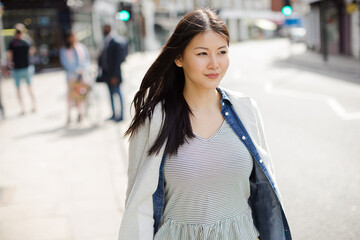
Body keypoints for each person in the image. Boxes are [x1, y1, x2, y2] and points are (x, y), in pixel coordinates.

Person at [118, 8, 292, 240]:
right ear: (179, 58)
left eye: (222, 52)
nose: (214, 64)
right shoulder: (154, 120)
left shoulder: (246, 109)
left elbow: (265, 193)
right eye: (202, 54)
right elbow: (138, 205)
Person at [98, 24, 128, 122]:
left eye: (105, 28)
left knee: (117, 93)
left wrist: (115, 75)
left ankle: (121, 115)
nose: (103, 30)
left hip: (114, 74)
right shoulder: (105, 41)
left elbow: (117, 60)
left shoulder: (115, 41)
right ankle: (114, 114)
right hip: (106, 73)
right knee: (110, 94)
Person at [59, 31, 90, 124]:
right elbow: (65, 63)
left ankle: (80, 113)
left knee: (79, 95)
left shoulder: (81, 47)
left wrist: (82, 69)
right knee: (70, 96)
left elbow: (86, 59)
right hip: (71, 76)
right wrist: (75, 70)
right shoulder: (64, 50)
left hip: (81, 75)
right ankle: (69, 114)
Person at [7, 23, 36, 115]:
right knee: (26, 88)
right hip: (21, 68)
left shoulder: (14, 42)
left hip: (22, 68)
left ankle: (29, 107)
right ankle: (28, 107)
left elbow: (10, 56)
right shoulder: (26, 41)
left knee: (24, 88)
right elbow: (32, 52)